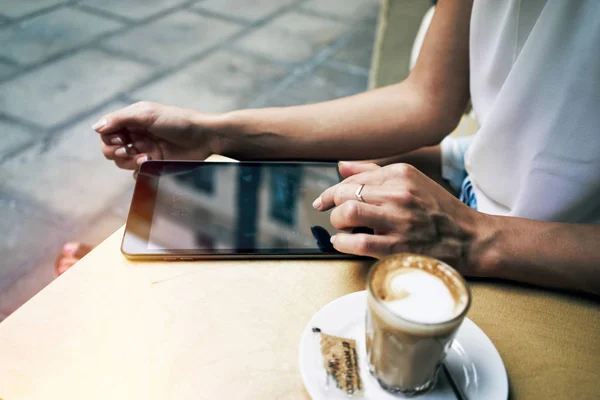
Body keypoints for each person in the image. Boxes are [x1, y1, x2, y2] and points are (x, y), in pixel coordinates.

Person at [62, 0, 600, 295]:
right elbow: (425, 100)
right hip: (463, 187)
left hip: (544, 264)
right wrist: (215, 132)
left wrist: (475, 238)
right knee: (184, 263)